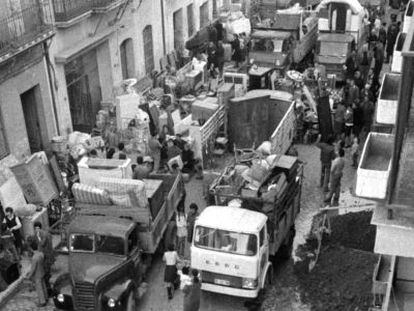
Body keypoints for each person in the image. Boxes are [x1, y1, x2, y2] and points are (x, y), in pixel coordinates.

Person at [33, 222, 55, 295]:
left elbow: (42, 244)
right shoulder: (41, 234)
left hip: (46, 257)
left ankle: (49, 292)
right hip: (45, 256)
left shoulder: (43, 235)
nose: (36, 230)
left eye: (37, 229)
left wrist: (38, 238)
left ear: (38, 228)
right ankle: (47, 291)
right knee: (46, 275)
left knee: (46, 275)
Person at [25, 240, 48, 307]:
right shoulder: (41, 254)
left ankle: (42, 302)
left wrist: (28, 276)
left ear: (31, 248)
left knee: (39, 288)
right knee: (43, 286)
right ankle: (46, 298)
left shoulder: (34, 257)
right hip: (42, 272)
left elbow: (33, 269)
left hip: (37, 275)